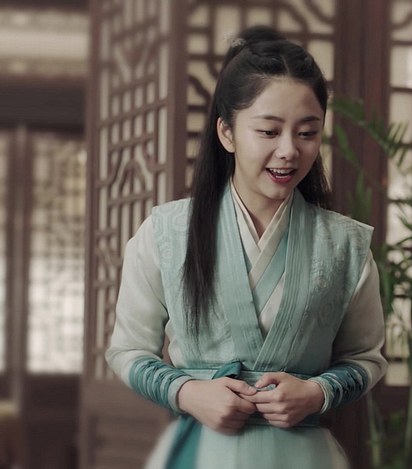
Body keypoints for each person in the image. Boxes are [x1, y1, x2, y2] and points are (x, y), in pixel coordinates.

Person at [106, 25, 387, 469]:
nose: (289, 151)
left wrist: (317, 392)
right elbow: (127, 350)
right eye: (269, 131)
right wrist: (187, 392)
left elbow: (365, 357)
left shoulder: (345, 245)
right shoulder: (166, 234)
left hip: (303, 456)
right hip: (201, 452)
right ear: (227, 132)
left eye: (307, 133)